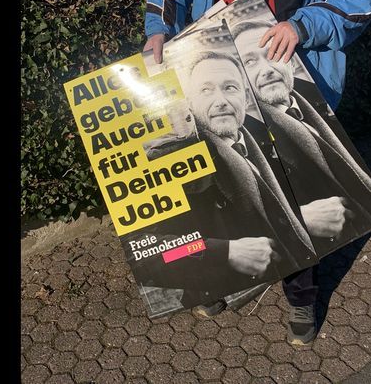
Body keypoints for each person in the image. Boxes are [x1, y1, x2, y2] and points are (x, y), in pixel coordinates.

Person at [142, 0, 371, 345]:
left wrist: (303, 25)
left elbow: (360, 1)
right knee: (223, 180)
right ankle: (227, 277)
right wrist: (158, 28)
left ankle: (302, 296)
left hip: (295, 81)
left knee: (299, 192)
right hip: (219, 75)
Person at [129, 51, 316, 310]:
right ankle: (208, 295)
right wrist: (220, 252)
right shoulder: (169, 160)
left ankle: (302, 301)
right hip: (216, 280)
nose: (220, 101)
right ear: (190, 102)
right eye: (206, 90)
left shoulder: (278, 132)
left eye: (230, 88)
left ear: (246, 96)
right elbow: (147, 255)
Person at [232, 19, 371, 256]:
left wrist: (303, 27)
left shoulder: (315, 102)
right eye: (250, 61)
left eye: (275, 49)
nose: (267, 69)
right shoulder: (242, 139)